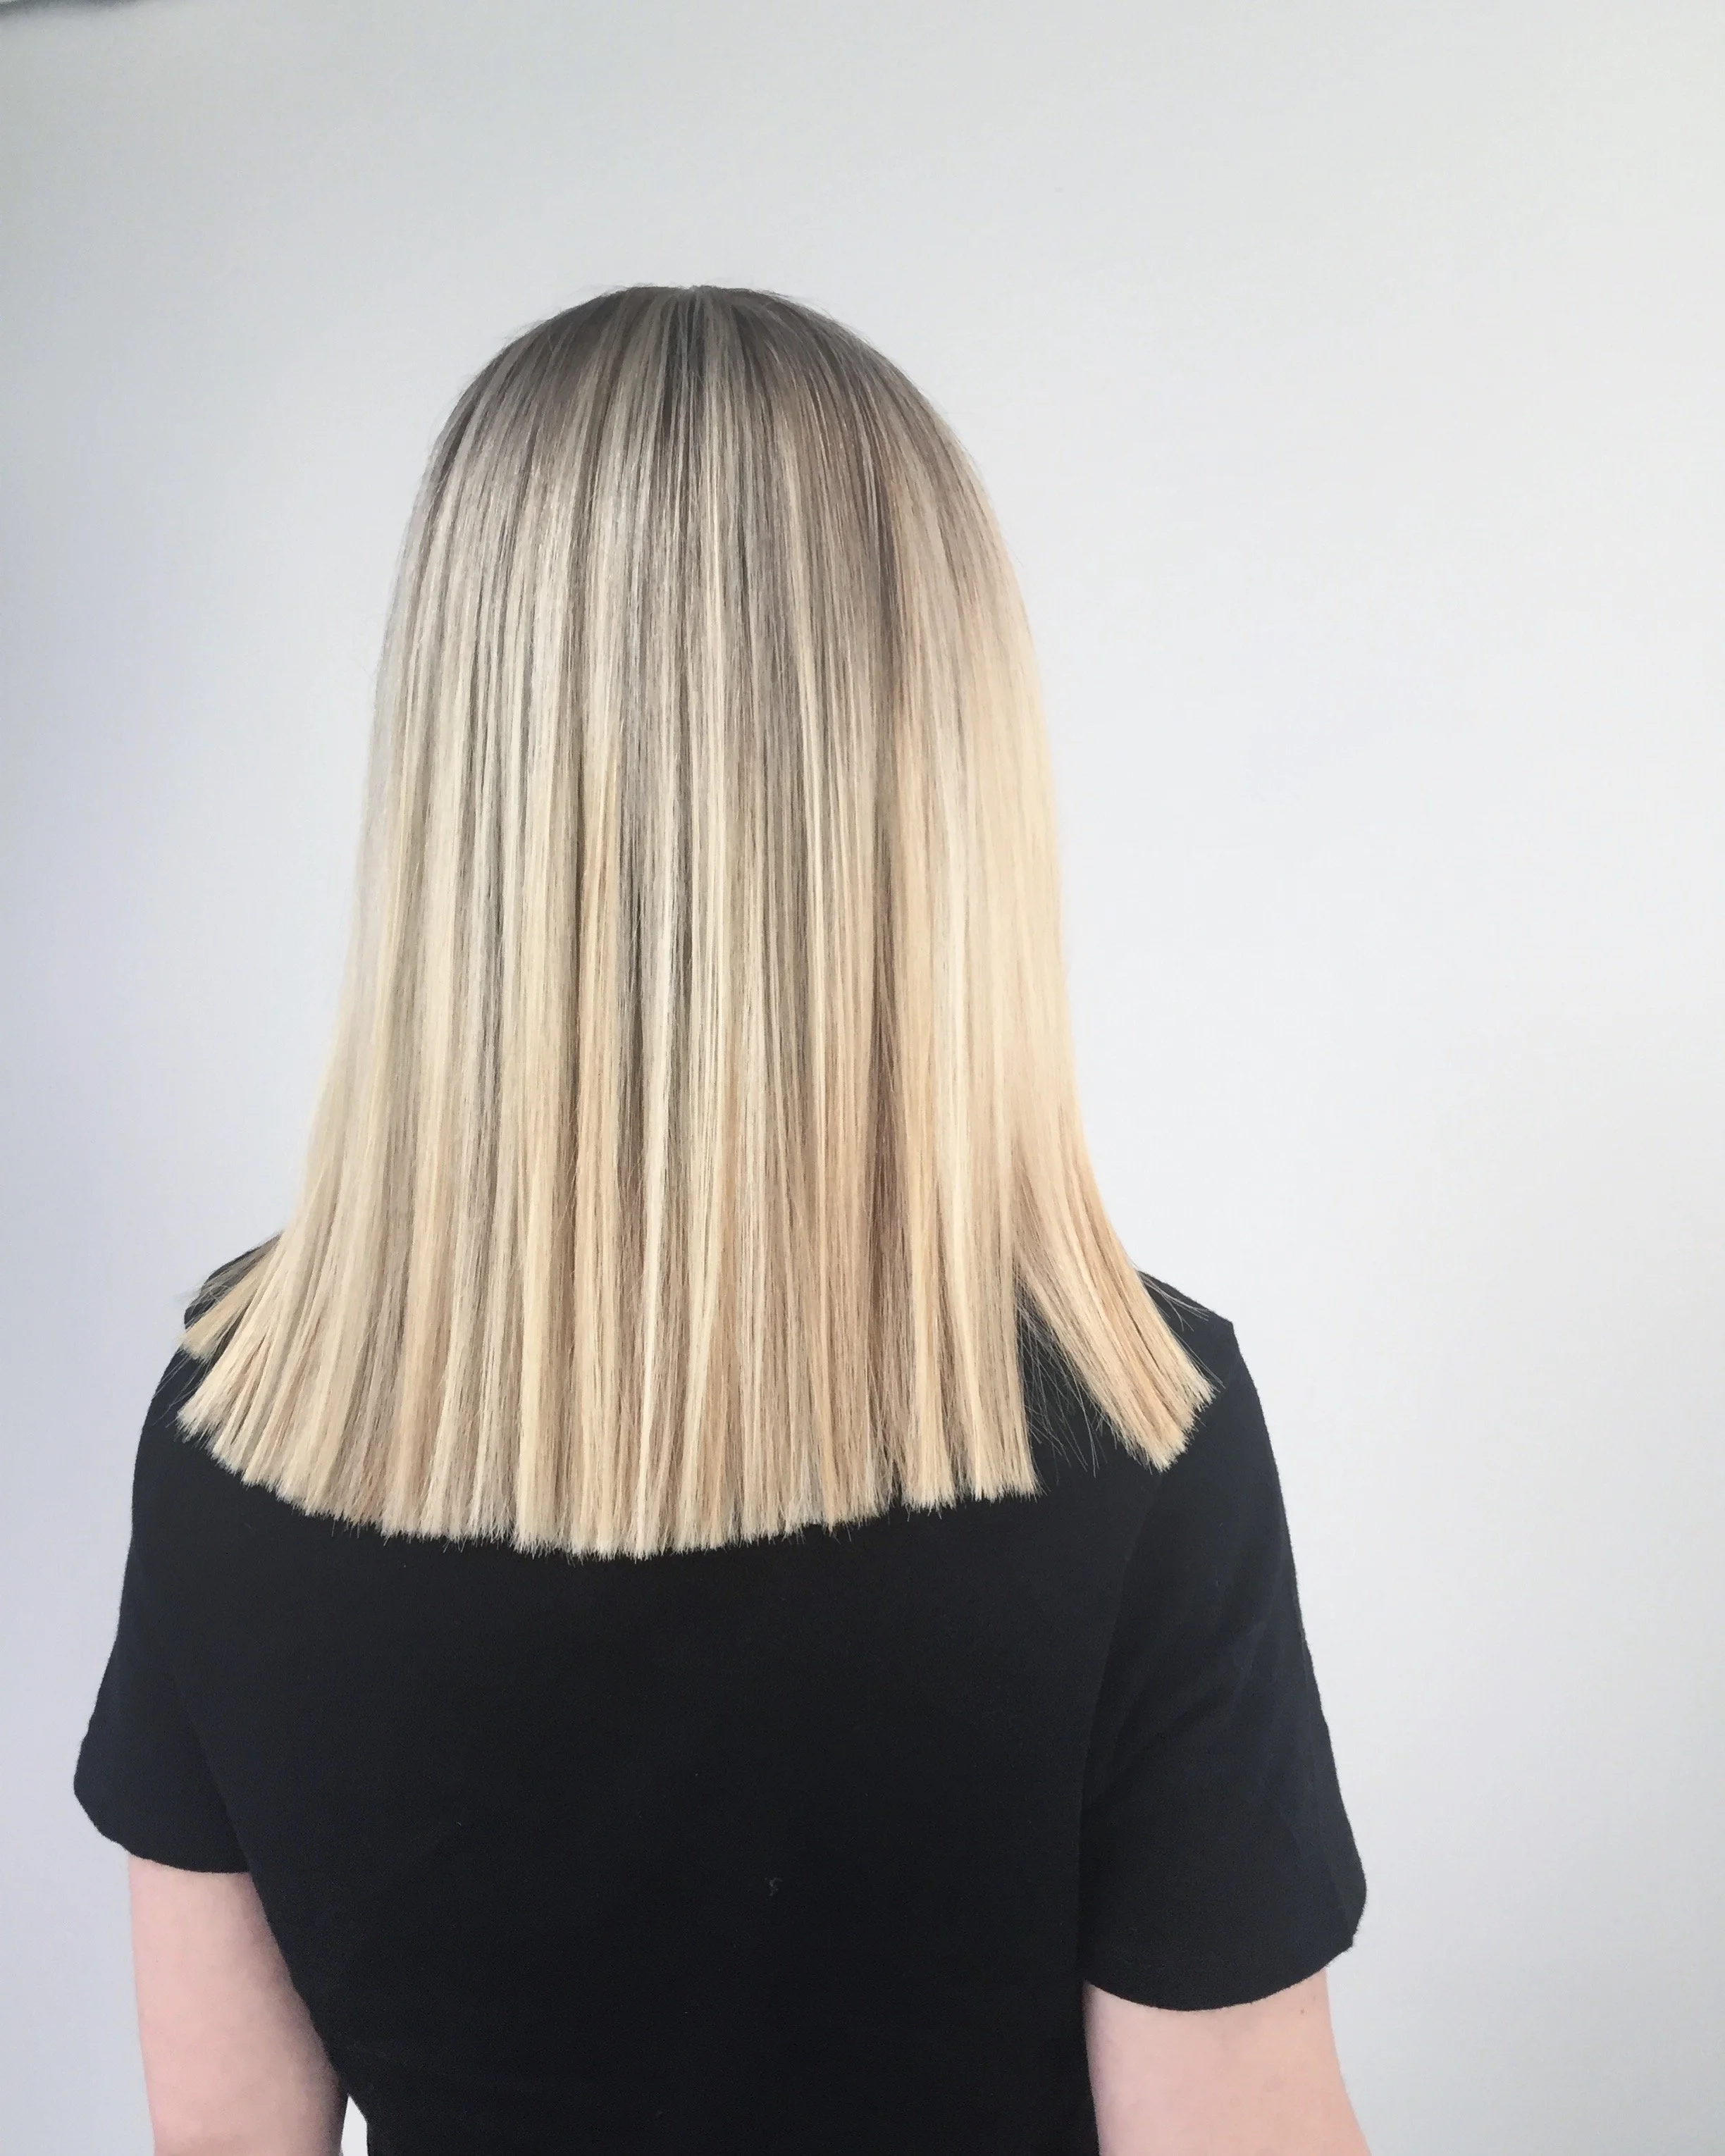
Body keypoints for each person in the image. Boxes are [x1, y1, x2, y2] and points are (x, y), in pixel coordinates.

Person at [74, 284, 1371, 2155]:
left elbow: (217, 2143)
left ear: (465, 774)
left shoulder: (243, 1416)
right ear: (934, 777)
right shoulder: (1133, 1429)